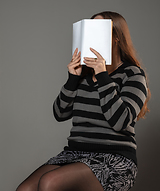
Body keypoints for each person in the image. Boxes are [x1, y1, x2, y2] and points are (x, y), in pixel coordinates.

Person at [16, 11, 150, 191]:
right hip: (75, 154)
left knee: (50, 183)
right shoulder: (84, 76)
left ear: (116, 37)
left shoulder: (133, 74)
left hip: (114, 158)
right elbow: (59, 113)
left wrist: (103, 76)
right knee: (25, 189)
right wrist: (72, 79)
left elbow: (119, 122)